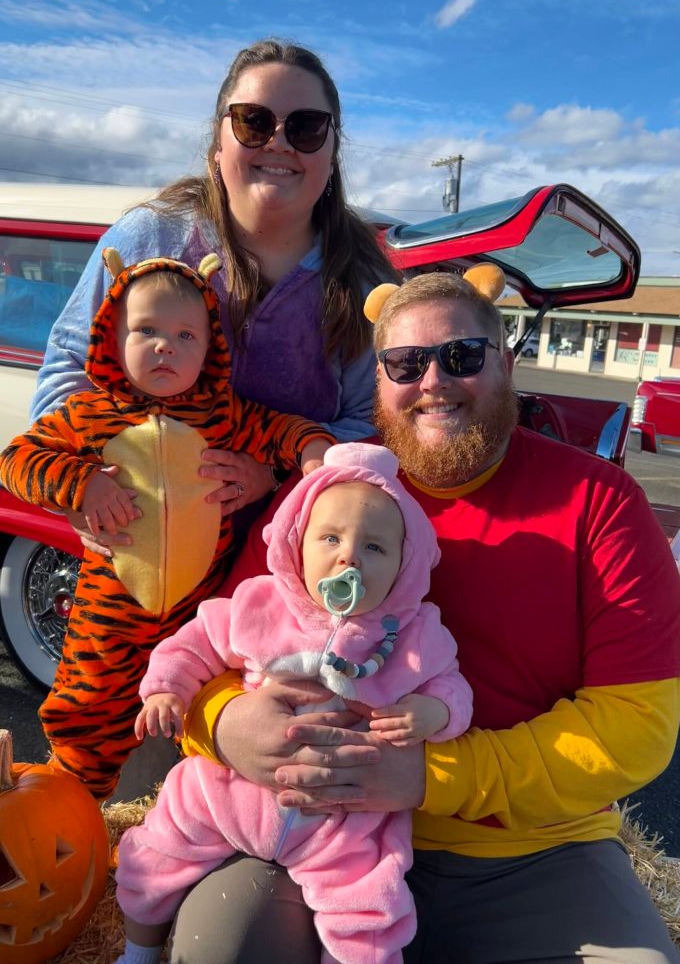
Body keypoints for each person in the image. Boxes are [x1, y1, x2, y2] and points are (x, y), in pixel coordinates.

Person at [170, 270, 680, 964]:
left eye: (462, 356)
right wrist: (227, 724)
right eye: (405, 363)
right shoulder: (327, 502)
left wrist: (431, 776)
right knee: (220, 947)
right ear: (379, 382)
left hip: (525, 849)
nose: (433, 380)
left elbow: (638, 725)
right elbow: (215, 644)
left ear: (505, 362)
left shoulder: (601, 502)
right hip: (317, 829)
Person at [112, 442, 473, 964]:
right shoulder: (261, 603)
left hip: (342, 820)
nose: (348, 556)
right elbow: (195, 644)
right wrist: (167, 688)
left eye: (374, 548)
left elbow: (454, 688)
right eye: (330, 538)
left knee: (369, 908)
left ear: (405, 567)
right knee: (154, 855)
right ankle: (137, 952)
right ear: (296, 545)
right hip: (226, 794)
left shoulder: (415, 636)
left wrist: (434, 714)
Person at [0, 249, 332, 801]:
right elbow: (16, 460)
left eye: (185, 336)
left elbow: (281, 430)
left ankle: (188, 811)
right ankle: (74, 810)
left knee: (201, 708)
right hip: (108, 613)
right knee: (85, 710)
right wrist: (80, 484)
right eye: (146, 330)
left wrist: (312, 448)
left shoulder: (225, 413)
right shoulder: (87, 413)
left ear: (210, 349)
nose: (164, 346)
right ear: (113, 338)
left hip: (196, 612)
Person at [30, 38, 400, 531]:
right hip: (149, 543)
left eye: (307, 127)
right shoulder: (149, 238)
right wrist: (84, 486)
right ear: (217, 142)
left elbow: (373, 424)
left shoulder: (365, 280)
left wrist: (274, 472)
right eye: (254, 120)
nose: (280, 142)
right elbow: (71, 367)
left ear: (333, 151)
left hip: (298, 558)